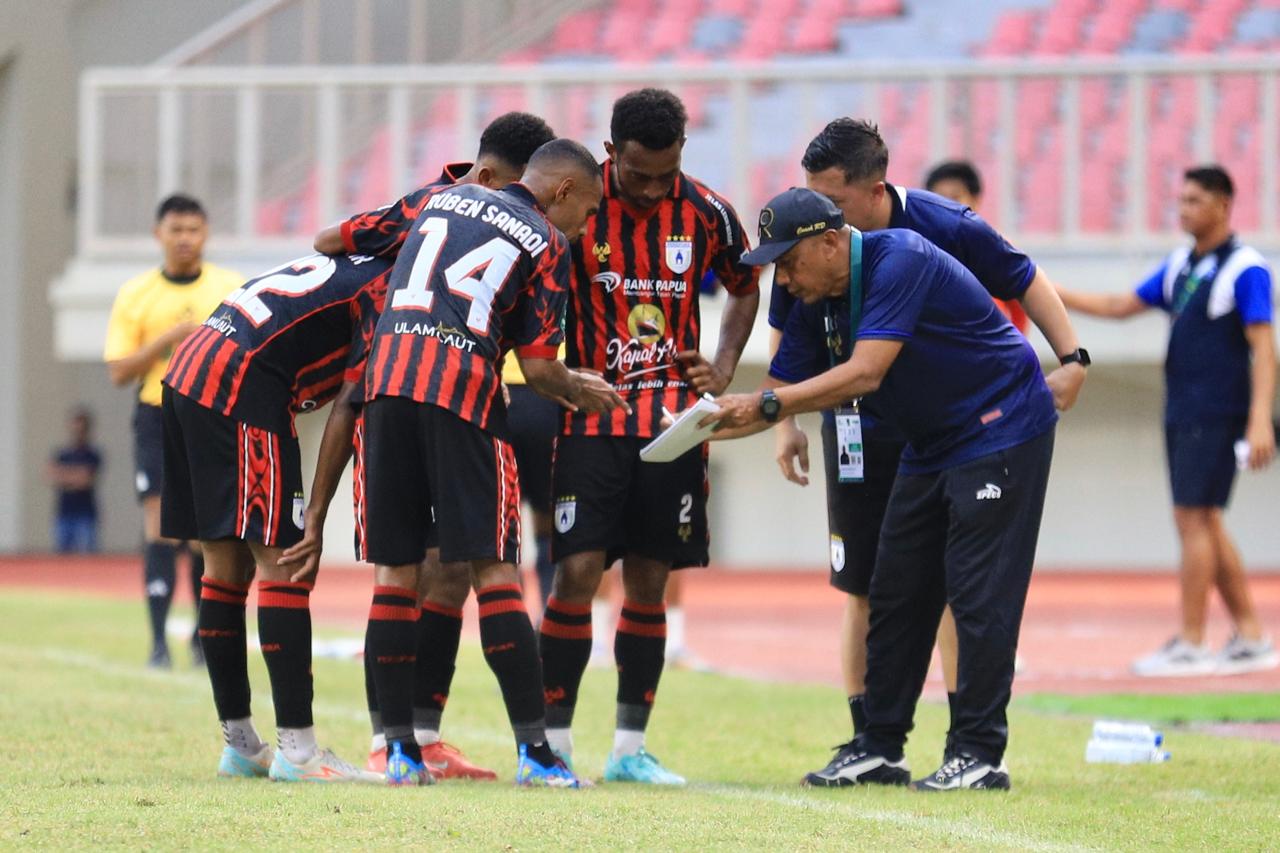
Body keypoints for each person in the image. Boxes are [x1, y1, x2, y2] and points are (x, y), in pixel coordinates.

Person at [711, 187, 1084, 791]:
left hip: (1001, 425)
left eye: (787, 260)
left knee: (975, 592)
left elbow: (864, 372)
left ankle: (980, 753)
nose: (782, 277)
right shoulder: (813, 294)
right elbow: (772, 396)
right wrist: (683, 436)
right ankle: (879, 747)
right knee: (896, 589)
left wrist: (769, 402)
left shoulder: (901, 257)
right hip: (932, 441)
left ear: (831, 242)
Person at [360, 138, 627, 787]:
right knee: (496, 570)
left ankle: (397, 751)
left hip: (386, 384)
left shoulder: (440, 197)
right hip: (461, 392)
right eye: (589, 211)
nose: (585, 226)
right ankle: (536, 754)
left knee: (397, 575)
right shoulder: (546, 240)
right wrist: (578, 390)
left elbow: (347, 238)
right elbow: (537, 365)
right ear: (562, 191)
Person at [312, 111, 556, 780]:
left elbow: (333, 236)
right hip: (422, 389)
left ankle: (419, 736)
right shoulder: (447, 205)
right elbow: (332, 240)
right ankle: (387, 738)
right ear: (490, 174)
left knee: (445, 570)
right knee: (437, 566)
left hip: (414, 391)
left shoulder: (427, 204)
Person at [539, 88, 759, 786]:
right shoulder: (575, 201)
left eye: (666, 173)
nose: (652, 187)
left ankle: (630, 747)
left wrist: (722, 366)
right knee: (577, 571)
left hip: (672, 423)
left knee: (651, 579)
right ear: (611, 155)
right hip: (588, 417)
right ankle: (551, 741)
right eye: (638, 174)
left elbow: (746, 283)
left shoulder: (708, 211)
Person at [161, 251, 391, 783]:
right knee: (284, 563)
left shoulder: (362, 254)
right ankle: (299, 752)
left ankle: (241, 745)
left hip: (191, 368)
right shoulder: (390, 287)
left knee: (224, 567)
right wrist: (315, 513)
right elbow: (347, 405)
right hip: (243, 383)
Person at [1056, 164, 1278, 676]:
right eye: (1180, 200)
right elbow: (1118, 305)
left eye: (1195, 200)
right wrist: (1041, 286)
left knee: (1192, 519)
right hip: (1183, 407)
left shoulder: (1246, 269)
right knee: (1206, 520)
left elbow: (1263, 349)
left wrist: (1259, 419)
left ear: (1224, 205)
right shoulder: (1183, 264)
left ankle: (1193, 641)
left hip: (1217, 410)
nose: (1183, 209)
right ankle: (1249, 634)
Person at [103, 194, 242, 669]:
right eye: (176, 230)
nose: (185, 239)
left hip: (210, 415)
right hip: (156, 415)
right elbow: (119, 371)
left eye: (194, 230)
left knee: (207, 532)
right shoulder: (136, 294)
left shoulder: (230, 288)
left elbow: (247, 354)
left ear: (205, 234)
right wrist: (166, 340)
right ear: (158, 234)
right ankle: (158, 643)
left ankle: (203, 642)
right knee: (160, 527)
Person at [923, 159, 1028, 332]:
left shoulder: (996, 247)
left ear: (975, 200)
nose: (947, 206)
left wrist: (1016, 346)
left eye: (955, 197)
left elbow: (1019, 304)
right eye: (939, 198)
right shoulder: (922, 250)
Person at [47, 407, 103, 554]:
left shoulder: (92, 454)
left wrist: (64, 475)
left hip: (85, 514)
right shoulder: (62, 454)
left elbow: (86, 479)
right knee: (62, 558)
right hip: (64, 513)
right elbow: (51, 475)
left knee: (88, 557)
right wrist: (75, 475)